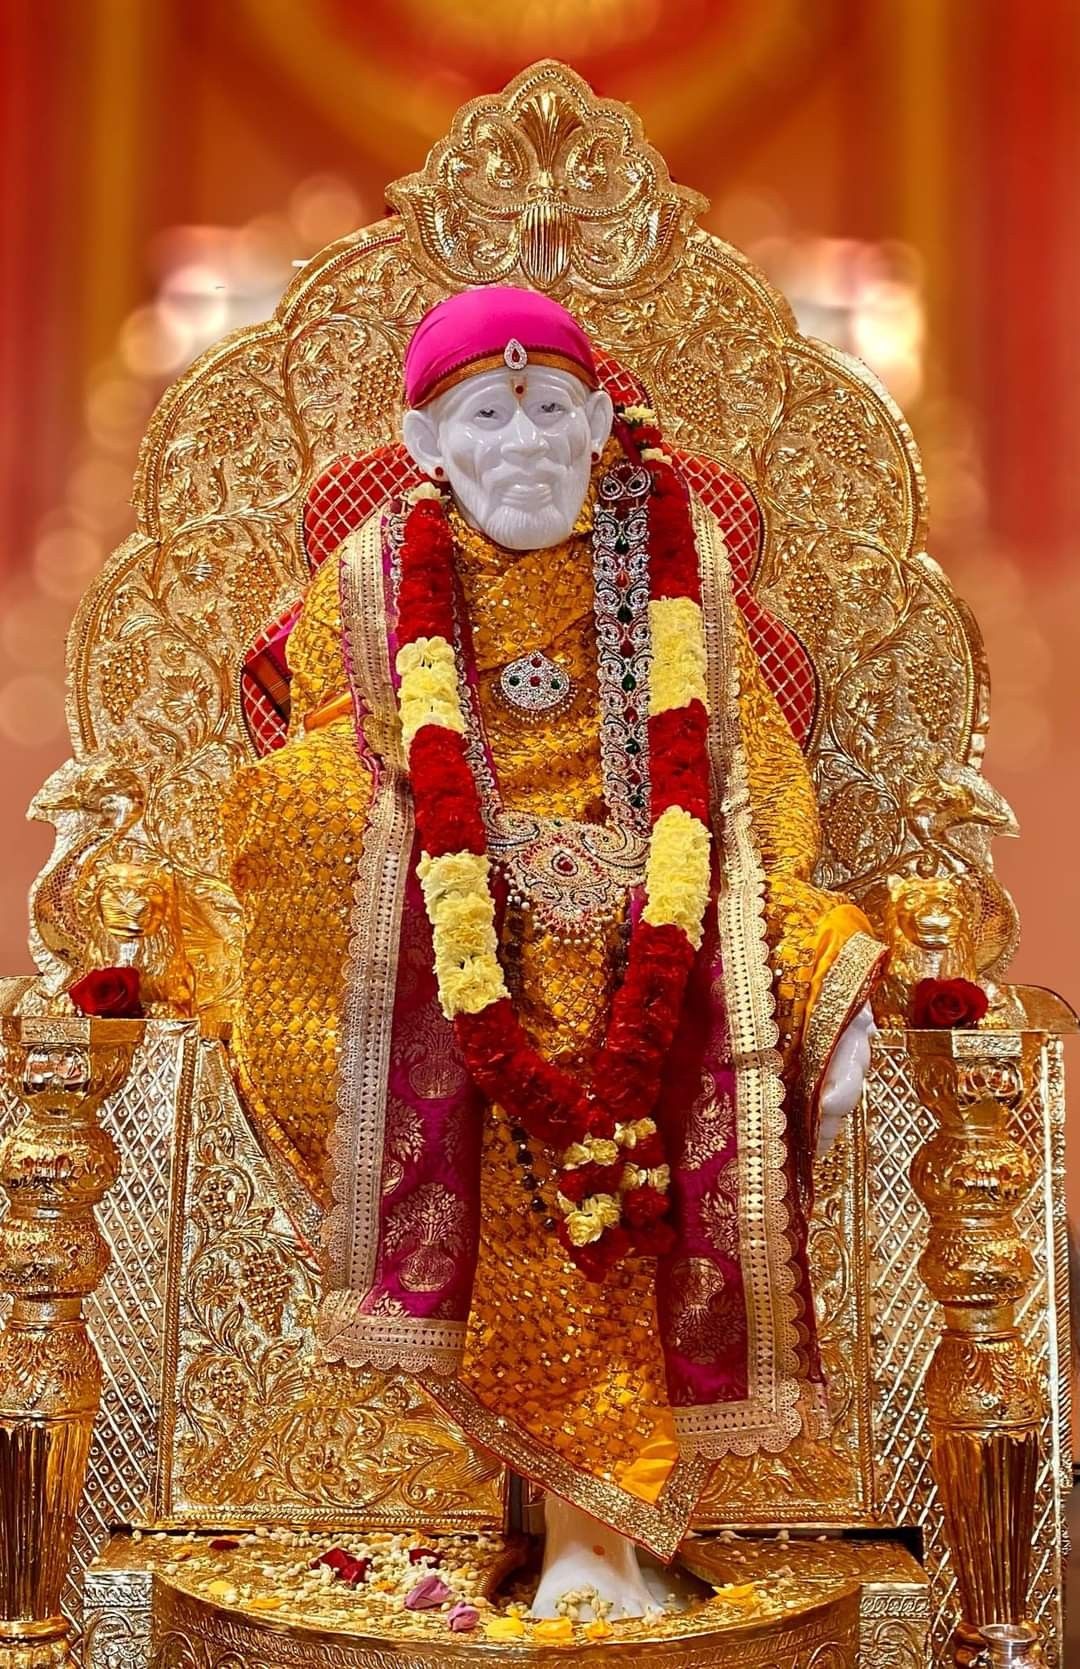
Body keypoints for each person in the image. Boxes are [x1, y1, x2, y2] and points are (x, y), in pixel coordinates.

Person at [221, 285, 883, 1616]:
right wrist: (455, 862)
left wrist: (759, 921)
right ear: (427, 442)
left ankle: (611, 1528)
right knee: (324, 846)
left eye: (546, 408)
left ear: (596, 424)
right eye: (487, 413)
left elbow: (749, 775)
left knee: (703, 1011)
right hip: (451, 918)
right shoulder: (371, 582)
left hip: (664, 910)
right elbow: (330, 760)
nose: (521, 442)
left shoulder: (675, 559)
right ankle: (558, 1521)